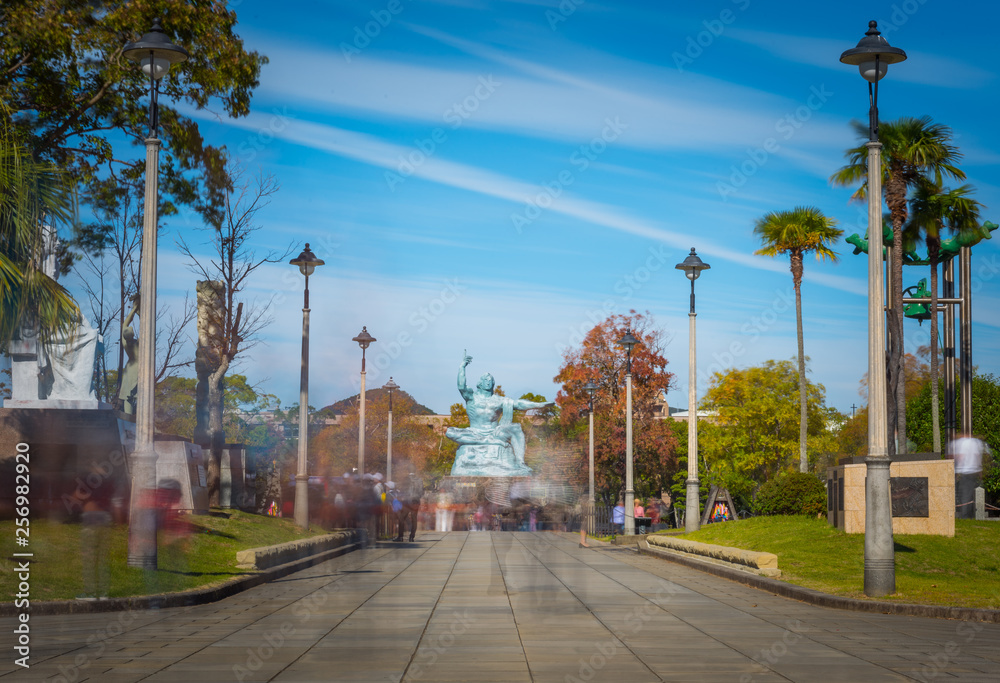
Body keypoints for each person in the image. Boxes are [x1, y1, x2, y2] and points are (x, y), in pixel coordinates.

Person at [446, 352, 554, 474]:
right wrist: (462, 367)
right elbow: (461, 386)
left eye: (490, 379)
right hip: (474, 432)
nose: (488, 381)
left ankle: (520, 463)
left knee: (516, 428)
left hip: (494, 434)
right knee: (450, 432)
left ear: (493, 383)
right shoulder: (472, 397)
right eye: (485, 379)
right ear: (479, 384)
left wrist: (539, 405)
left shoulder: (499, 400)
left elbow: (518, 404)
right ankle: (483, 441)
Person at [948, 432, 990, 519]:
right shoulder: (974, 442)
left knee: (965, 494)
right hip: (972, 471)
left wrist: (957, 469)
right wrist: (980, 470)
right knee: (968, 493)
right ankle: (968, 514)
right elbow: (977, 456)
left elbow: (961, 457)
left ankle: (965, 515)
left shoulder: (965, 443)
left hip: (966, 471)